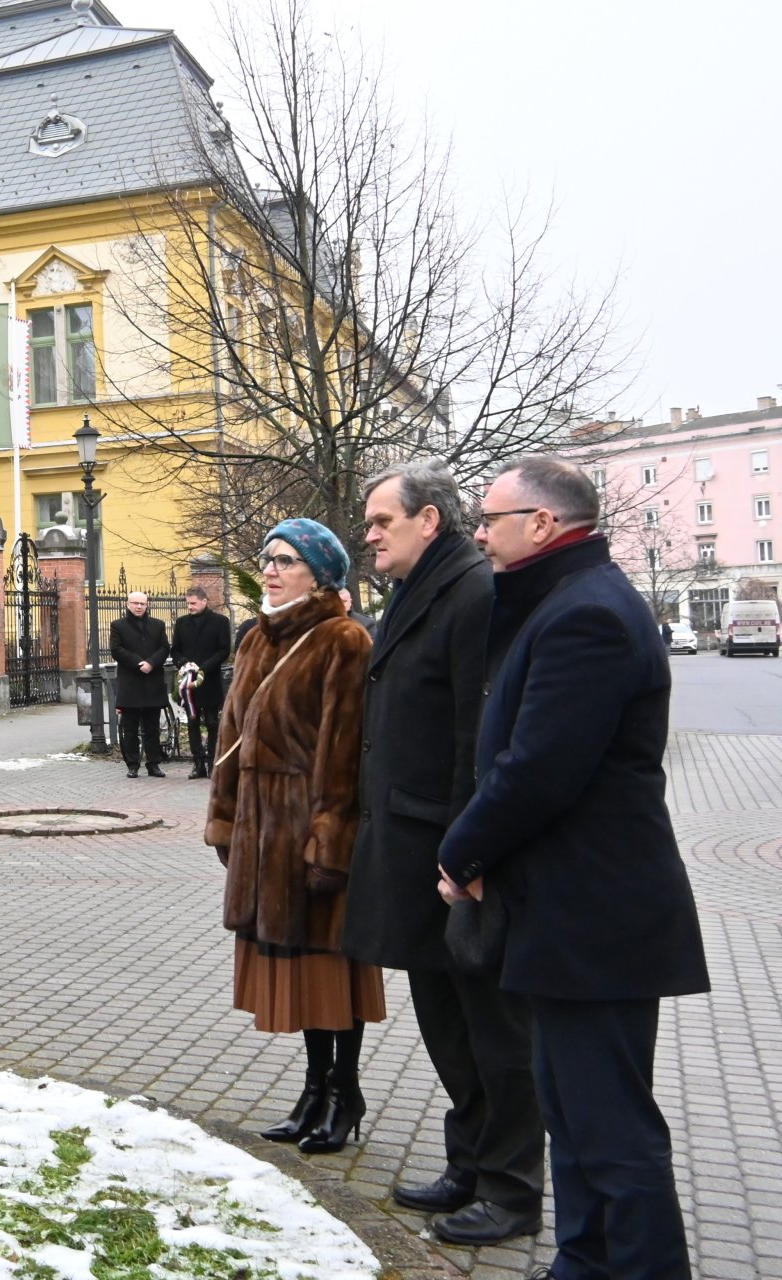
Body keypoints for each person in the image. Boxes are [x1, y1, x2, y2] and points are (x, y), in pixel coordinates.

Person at [437, 455, 708, 1280]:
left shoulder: (586, 613)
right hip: (568, 913)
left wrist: (460, 851)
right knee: (573, 1114)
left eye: (490, 519)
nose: (480, 534)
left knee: (611, 1127)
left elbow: (539, 770)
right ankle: (583, 1262)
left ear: (543, 524)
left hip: (597, 916)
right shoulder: (566, 600)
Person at [340, 460, 545, 1247]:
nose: (370, 534)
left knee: (493, 1032)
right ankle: (470, 1164)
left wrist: (468, 858)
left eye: (382, 520)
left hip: (452, 857)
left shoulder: (473, 592)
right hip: (413, 847)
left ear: (429, 520)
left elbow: (478, 738)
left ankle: (512, 1189)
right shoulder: (420, 588)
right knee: (448, 1026)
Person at [207, 518, 381, 1155]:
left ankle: (344, 1091)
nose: (270, 570)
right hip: (263, 834)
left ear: (321, 575)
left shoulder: (344, 639)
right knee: (300, 968)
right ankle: (312, 1090)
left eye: (286, 561)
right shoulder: (257, 637)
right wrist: (225, 817)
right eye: (267, 559)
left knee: (332, 967)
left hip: (311, 832)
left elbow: (343, 752)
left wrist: (328, 841)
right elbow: (230, 740)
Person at [170, 586, 231, 779]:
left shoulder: (220, 621)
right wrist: (183, 663)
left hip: (210, 679)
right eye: (188, 603)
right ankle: (198, 764)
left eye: (193, 603)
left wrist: (203, 668)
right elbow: (175, 650)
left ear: (204, 601)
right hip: (189, 684)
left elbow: (224, 650)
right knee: (193, 722)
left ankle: (213, 763)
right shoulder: (181, 623)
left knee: (212, 722)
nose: (190, 607)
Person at [110, 591, 170, 778]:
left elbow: (165, 648)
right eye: (135, 603)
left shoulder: (158, 625)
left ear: (147, 604)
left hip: (153, 681)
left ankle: (153, 764)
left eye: (142, 603)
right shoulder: (118, 625)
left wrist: (151, 663)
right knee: (130, 728)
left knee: (152, 728)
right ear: (128, 604)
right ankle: (133, 764)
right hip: (130, 683)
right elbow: (116, 650)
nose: (138, 606)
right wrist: (138, 663)